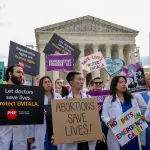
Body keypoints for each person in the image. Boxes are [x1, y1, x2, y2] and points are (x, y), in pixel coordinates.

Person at [51, 71, 105, 150]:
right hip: (71, 143)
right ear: (72, 82)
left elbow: (94, 120)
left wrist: (98, 132)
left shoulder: (89, 99)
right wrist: (57, 135)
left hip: (88, 141)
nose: (82, 82)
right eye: (79, 79)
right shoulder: (63, 102)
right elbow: (60, 123)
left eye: (82, 79)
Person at [102, 76, 143, 150]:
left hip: (132, 134)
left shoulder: (132, 98)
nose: (124, 84)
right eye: (121, 82)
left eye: (125, 82)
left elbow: (138, 112)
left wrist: (140, 117)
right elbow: (104, 116)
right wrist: (109, 121)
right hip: (117, 134)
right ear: (114, 85)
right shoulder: (108, 99)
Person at [0, 64, 34, 150]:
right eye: (18, 72)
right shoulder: (1, 91)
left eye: (22, 73)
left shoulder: (27, 93)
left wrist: (30, 134)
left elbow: (30, 113)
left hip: (20, 136)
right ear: (10, 74)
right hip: (3, 136)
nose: (21, 75)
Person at [30, 76, 62, 150]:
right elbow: (31, 116)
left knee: (55, 147)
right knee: (43, 146)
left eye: (49, 82)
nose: (48, 84)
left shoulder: (58, 96)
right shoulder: (36, 97)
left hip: (55, 128)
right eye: (45, 82)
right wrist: (30, 134)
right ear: (41, 85)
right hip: (42, 128)